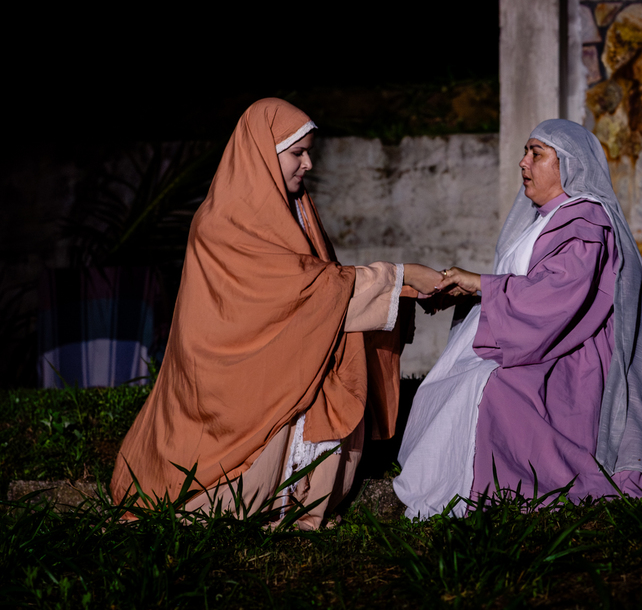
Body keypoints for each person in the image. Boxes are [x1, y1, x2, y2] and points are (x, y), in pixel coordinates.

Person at [110, 98, 442, 529]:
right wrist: (401, 276)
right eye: (297, 153)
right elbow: (299, 293)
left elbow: (324, 287)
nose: (307, 164)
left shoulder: (298, 211)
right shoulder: (221, 224)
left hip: (274, 355)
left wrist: (401, 289)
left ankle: (300, 496)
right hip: (226, 376)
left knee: (337, 331)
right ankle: (260, 495)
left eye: (309, 153)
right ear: (263, 154)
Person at [393, 119, 642, 517]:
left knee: (489, 387)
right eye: (526, 152)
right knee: (453, 381)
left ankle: (487, 484)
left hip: (574, 352)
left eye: (536, 154)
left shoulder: (586, 221)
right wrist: (468, 293)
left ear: (569, 165)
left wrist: (480, 285)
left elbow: (558, 295)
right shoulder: (545, 218)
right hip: (542, 338)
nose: (523, 163)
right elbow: (525, 284)